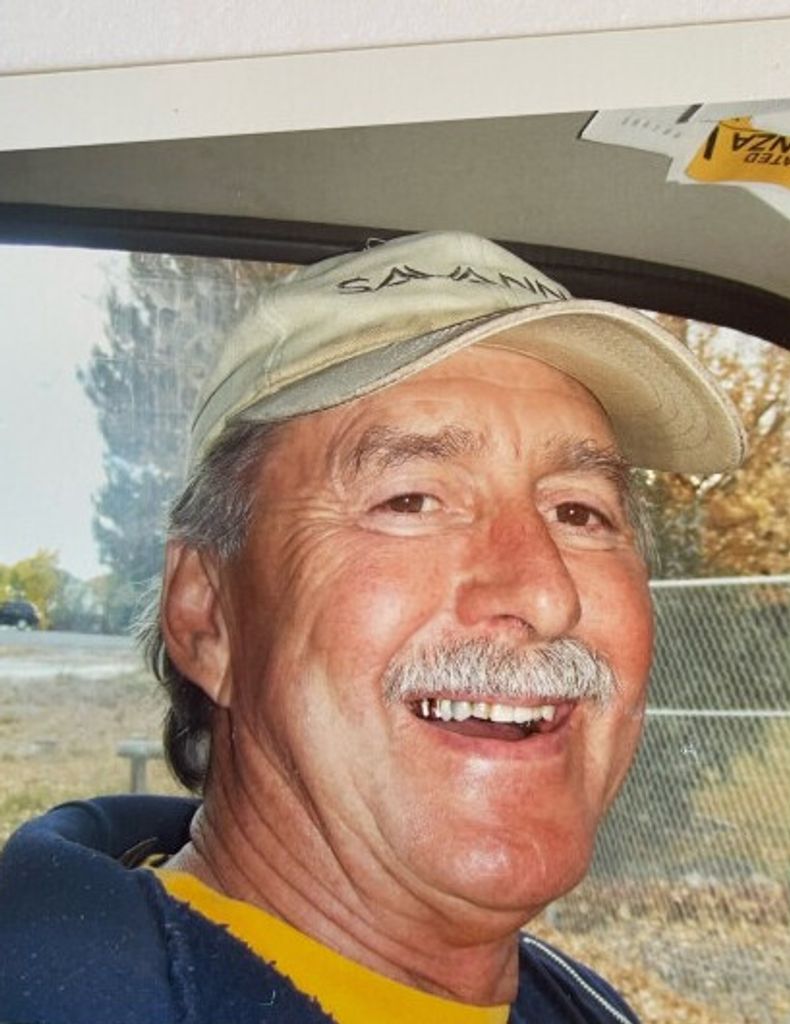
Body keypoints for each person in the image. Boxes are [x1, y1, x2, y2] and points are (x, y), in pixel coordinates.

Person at [0, 232, 745, 1024]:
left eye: (579, 512)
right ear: (207, 615)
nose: (545, 593)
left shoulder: (577, 1001)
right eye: (411, 501)